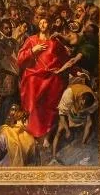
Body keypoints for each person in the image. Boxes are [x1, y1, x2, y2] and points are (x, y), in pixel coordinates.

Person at [16, 17, 73, 146]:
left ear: (50, 24)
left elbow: (65, 59)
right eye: (41, 22)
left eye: (45, 21)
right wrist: (32, 50)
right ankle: (33, 135)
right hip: (34, 76)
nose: (43, 24)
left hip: (52, 77)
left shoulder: (55, 41)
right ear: (38, 24)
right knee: (34, 100)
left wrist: (63, 69)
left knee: (50, 103)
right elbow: (19, 59)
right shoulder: (31, 40)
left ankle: (47, 136)